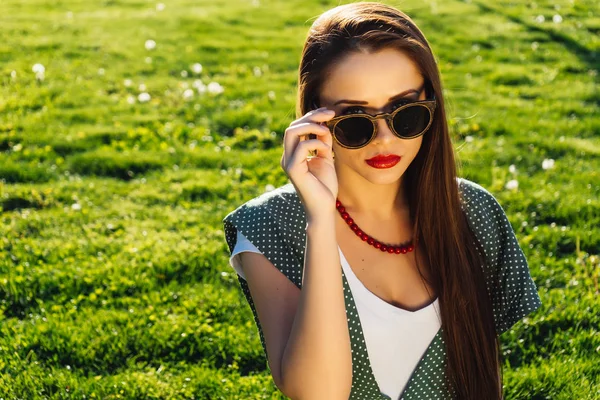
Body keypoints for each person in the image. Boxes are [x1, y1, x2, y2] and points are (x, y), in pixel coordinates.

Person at [222, 2, 542, 399]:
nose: (385, 139)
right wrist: (320, 221)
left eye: (405, 112)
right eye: (355, 119)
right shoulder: (268, 227)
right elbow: (317, 394)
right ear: (313, 120)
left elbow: (483, 380)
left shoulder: (474, 213)